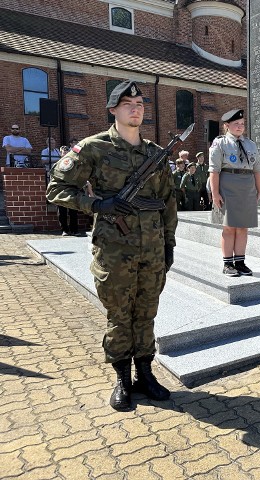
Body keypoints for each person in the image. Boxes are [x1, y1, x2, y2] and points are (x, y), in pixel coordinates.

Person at [46, 80, 178, 411]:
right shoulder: (93, 148)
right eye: (128, 103)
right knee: (119, 314)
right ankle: (122, 378)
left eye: (140, 103)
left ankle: (145, 374)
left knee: (147, 312)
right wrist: (98, 206)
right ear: (113, 110)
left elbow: (167, 201)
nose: (137, 108)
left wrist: (169, 243)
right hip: (114, 250)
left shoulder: (154, 154)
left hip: (152, 249)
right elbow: (56, 189)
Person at [209, 109, 260, 277]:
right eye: (236, 124)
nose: (240, 127)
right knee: (229, 228)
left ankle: (240, 262)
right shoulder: (220, 143)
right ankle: (227, 264)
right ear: (227, 126)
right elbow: (214, 170)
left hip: (247, 187)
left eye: (242, 124)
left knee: (243, 228)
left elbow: (257, 170)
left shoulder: (250, 144)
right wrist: (215, 193)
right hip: (228, 185)